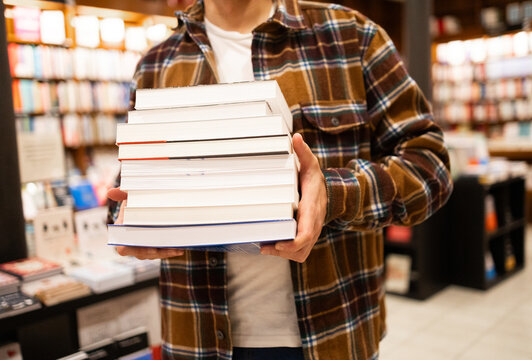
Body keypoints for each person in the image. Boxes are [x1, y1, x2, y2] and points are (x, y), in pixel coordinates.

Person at [107, 0, 453, 359]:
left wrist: (334, 195)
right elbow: (128, 187)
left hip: (333, 336)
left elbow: (430, 166)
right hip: (196, 339)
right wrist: (129, 218)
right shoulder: (157, 64)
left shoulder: (351, 36)